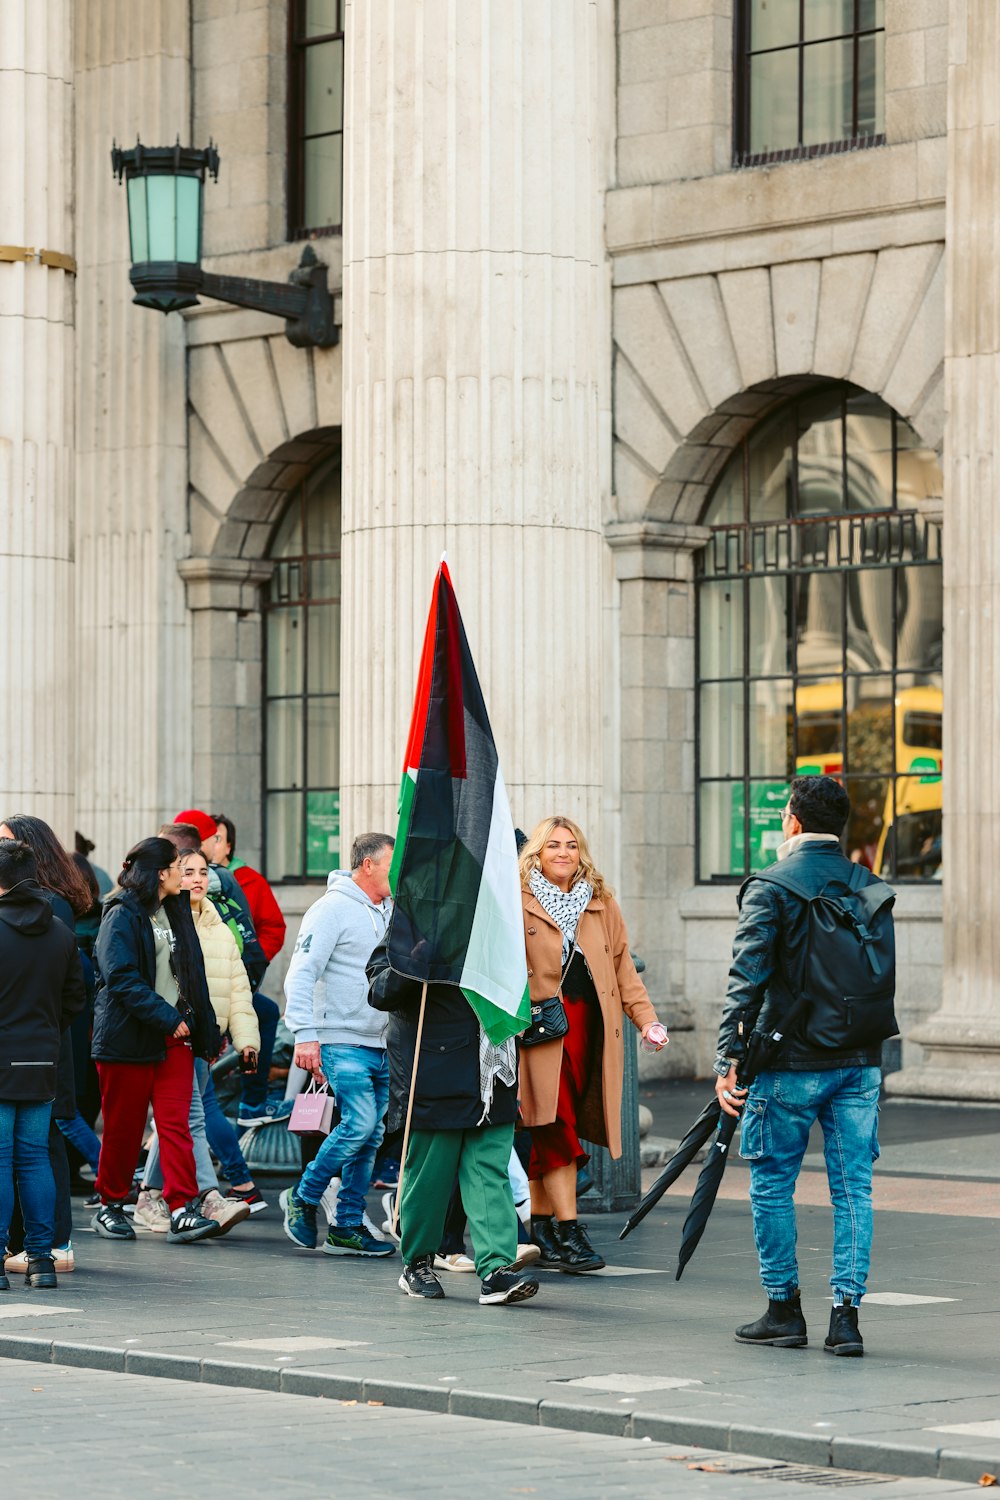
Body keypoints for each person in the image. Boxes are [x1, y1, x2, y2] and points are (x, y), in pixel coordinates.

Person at [714, 776, 890, 1359]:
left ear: (791, 820)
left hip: (789, 1062)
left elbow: (747, 980)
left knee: (771, 1183)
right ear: (841, 825)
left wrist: (728, 1061)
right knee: (853, 1190)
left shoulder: (771, 884)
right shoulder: (870, 884)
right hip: (860, 1060)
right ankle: (847, 1319)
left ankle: (783, 1309)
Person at [518, 816, 666, 1274]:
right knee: (555, 1122)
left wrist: (648, 1021)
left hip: (590, 1031)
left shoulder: (601, 903)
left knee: (554, 1127)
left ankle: (541, 1226)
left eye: (571, 845)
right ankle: (569, 1228)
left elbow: (625, 971)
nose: (563, 853)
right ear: (537, 854)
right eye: (553, 845)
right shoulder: (516, 901)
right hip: (539, 1033)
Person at [367, 936, 539, 1308]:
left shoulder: (499, 915)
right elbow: (380, 991)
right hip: (435, 1068)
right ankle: (416, 1262)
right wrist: (420, 955)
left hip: (494, 1068)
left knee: (489, 1171)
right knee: (430, 1175)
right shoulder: (415, 920)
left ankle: (496, 1270)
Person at [91, 838, 220, 1245]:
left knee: (175, 1125)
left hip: (174, 1038)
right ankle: (111, 1205)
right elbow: (120, 977)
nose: (186, 874)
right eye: (178, 866)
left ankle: (182, 1208)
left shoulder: (176, 909)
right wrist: (167, 1018)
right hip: (129, 1037)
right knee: (123, 1129)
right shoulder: (121, 913)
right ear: (160, 872)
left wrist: (206, 1031)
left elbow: (194, 974)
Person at [280, 833, 396, 1259]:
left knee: (371, 1136)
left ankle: (346, 1224)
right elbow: (301, 974)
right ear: (368, 866)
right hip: (340, 1038)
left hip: (385, 1041)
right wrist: (305, 1034)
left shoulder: (392, 910)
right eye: (391, 863)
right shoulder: (329, 909)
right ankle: (304, 1194)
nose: (398, 871)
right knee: (361, 1125)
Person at [134, 848, 261, 1234]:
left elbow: (239, 988)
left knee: (177, 1122)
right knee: (191, 1117)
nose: (197, 879)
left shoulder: (219, 924)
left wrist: (246, 1040)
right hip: (176, 1037)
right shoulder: (165, 922)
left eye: (203, 871)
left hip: (209, 1039)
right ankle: (209, 1197)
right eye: (186, 871)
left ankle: (147, 1195)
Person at [0, 814, 94, 1272]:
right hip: (41, 1058)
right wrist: (45, 1028)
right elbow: (76, 995)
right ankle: (41, 1259)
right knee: (35, 1157)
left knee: (1, 1159)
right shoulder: (59, 930)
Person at [211, 813, 288, 1130]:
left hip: (238, 979)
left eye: (218, 838)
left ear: (228, 846)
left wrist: (251, 965)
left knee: (260, 1019)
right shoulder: (188, 879)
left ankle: (251, 1103)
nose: (212, 845)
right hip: (212, 985)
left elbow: (273, 928)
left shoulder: (249, 880)